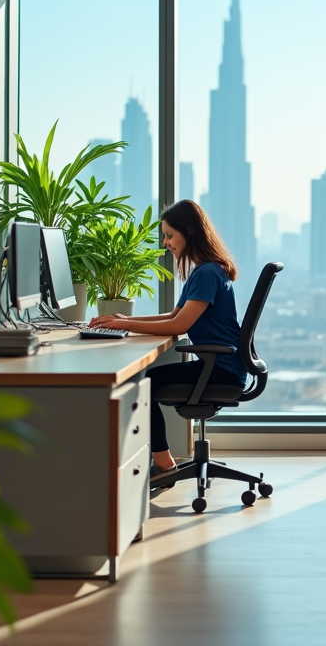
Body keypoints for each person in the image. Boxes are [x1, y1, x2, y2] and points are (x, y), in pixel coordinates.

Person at [89, 200, 247, 482]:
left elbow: (179, 325)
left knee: (143, 384)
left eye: (169, 235)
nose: (165, 243)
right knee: (145, 379)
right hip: (222, 366)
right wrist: (120, 321)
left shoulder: (208, 273)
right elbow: (174, 315)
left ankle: (163, 463)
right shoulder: (204, 270)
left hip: (222, 371)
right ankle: (161, 460)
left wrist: (124, 325)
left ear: (189, 232)